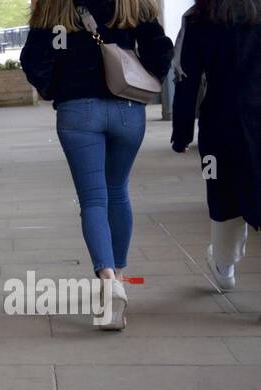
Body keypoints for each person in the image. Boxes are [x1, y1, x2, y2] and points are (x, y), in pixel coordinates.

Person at [21, 1, 172, 330]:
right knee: (118, 190)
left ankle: (107, 281)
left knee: (93, 198)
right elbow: (161, 50)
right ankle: (118, 275)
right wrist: (144, 78)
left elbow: (33, 59)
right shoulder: (132, 3)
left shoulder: (54, 5)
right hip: (128, 109)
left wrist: (53, 88)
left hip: (77, 112)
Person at [170, 0, 260, 291]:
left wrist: (182, 134)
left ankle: (224, 266)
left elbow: (186, 79)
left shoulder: (198, 18)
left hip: (220, 126)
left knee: (221, 194)